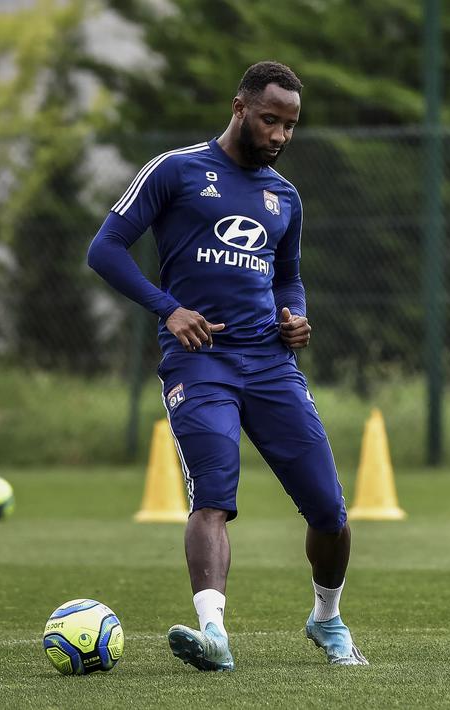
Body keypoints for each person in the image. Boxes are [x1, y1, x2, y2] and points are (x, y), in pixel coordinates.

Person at [87, 61, 367, 670]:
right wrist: (168, 310)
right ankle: (213, 633)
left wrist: (296, 315)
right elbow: (104, 249)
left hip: (271, 365)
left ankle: (327, 618)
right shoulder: (176, 169)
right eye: (271, 120)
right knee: (211, 498)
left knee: (329, 511)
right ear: (239, 107)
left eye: (291, 126)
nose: (280, 136)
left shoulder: (284, 195)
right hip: (199, 363)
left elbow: (288, 276)